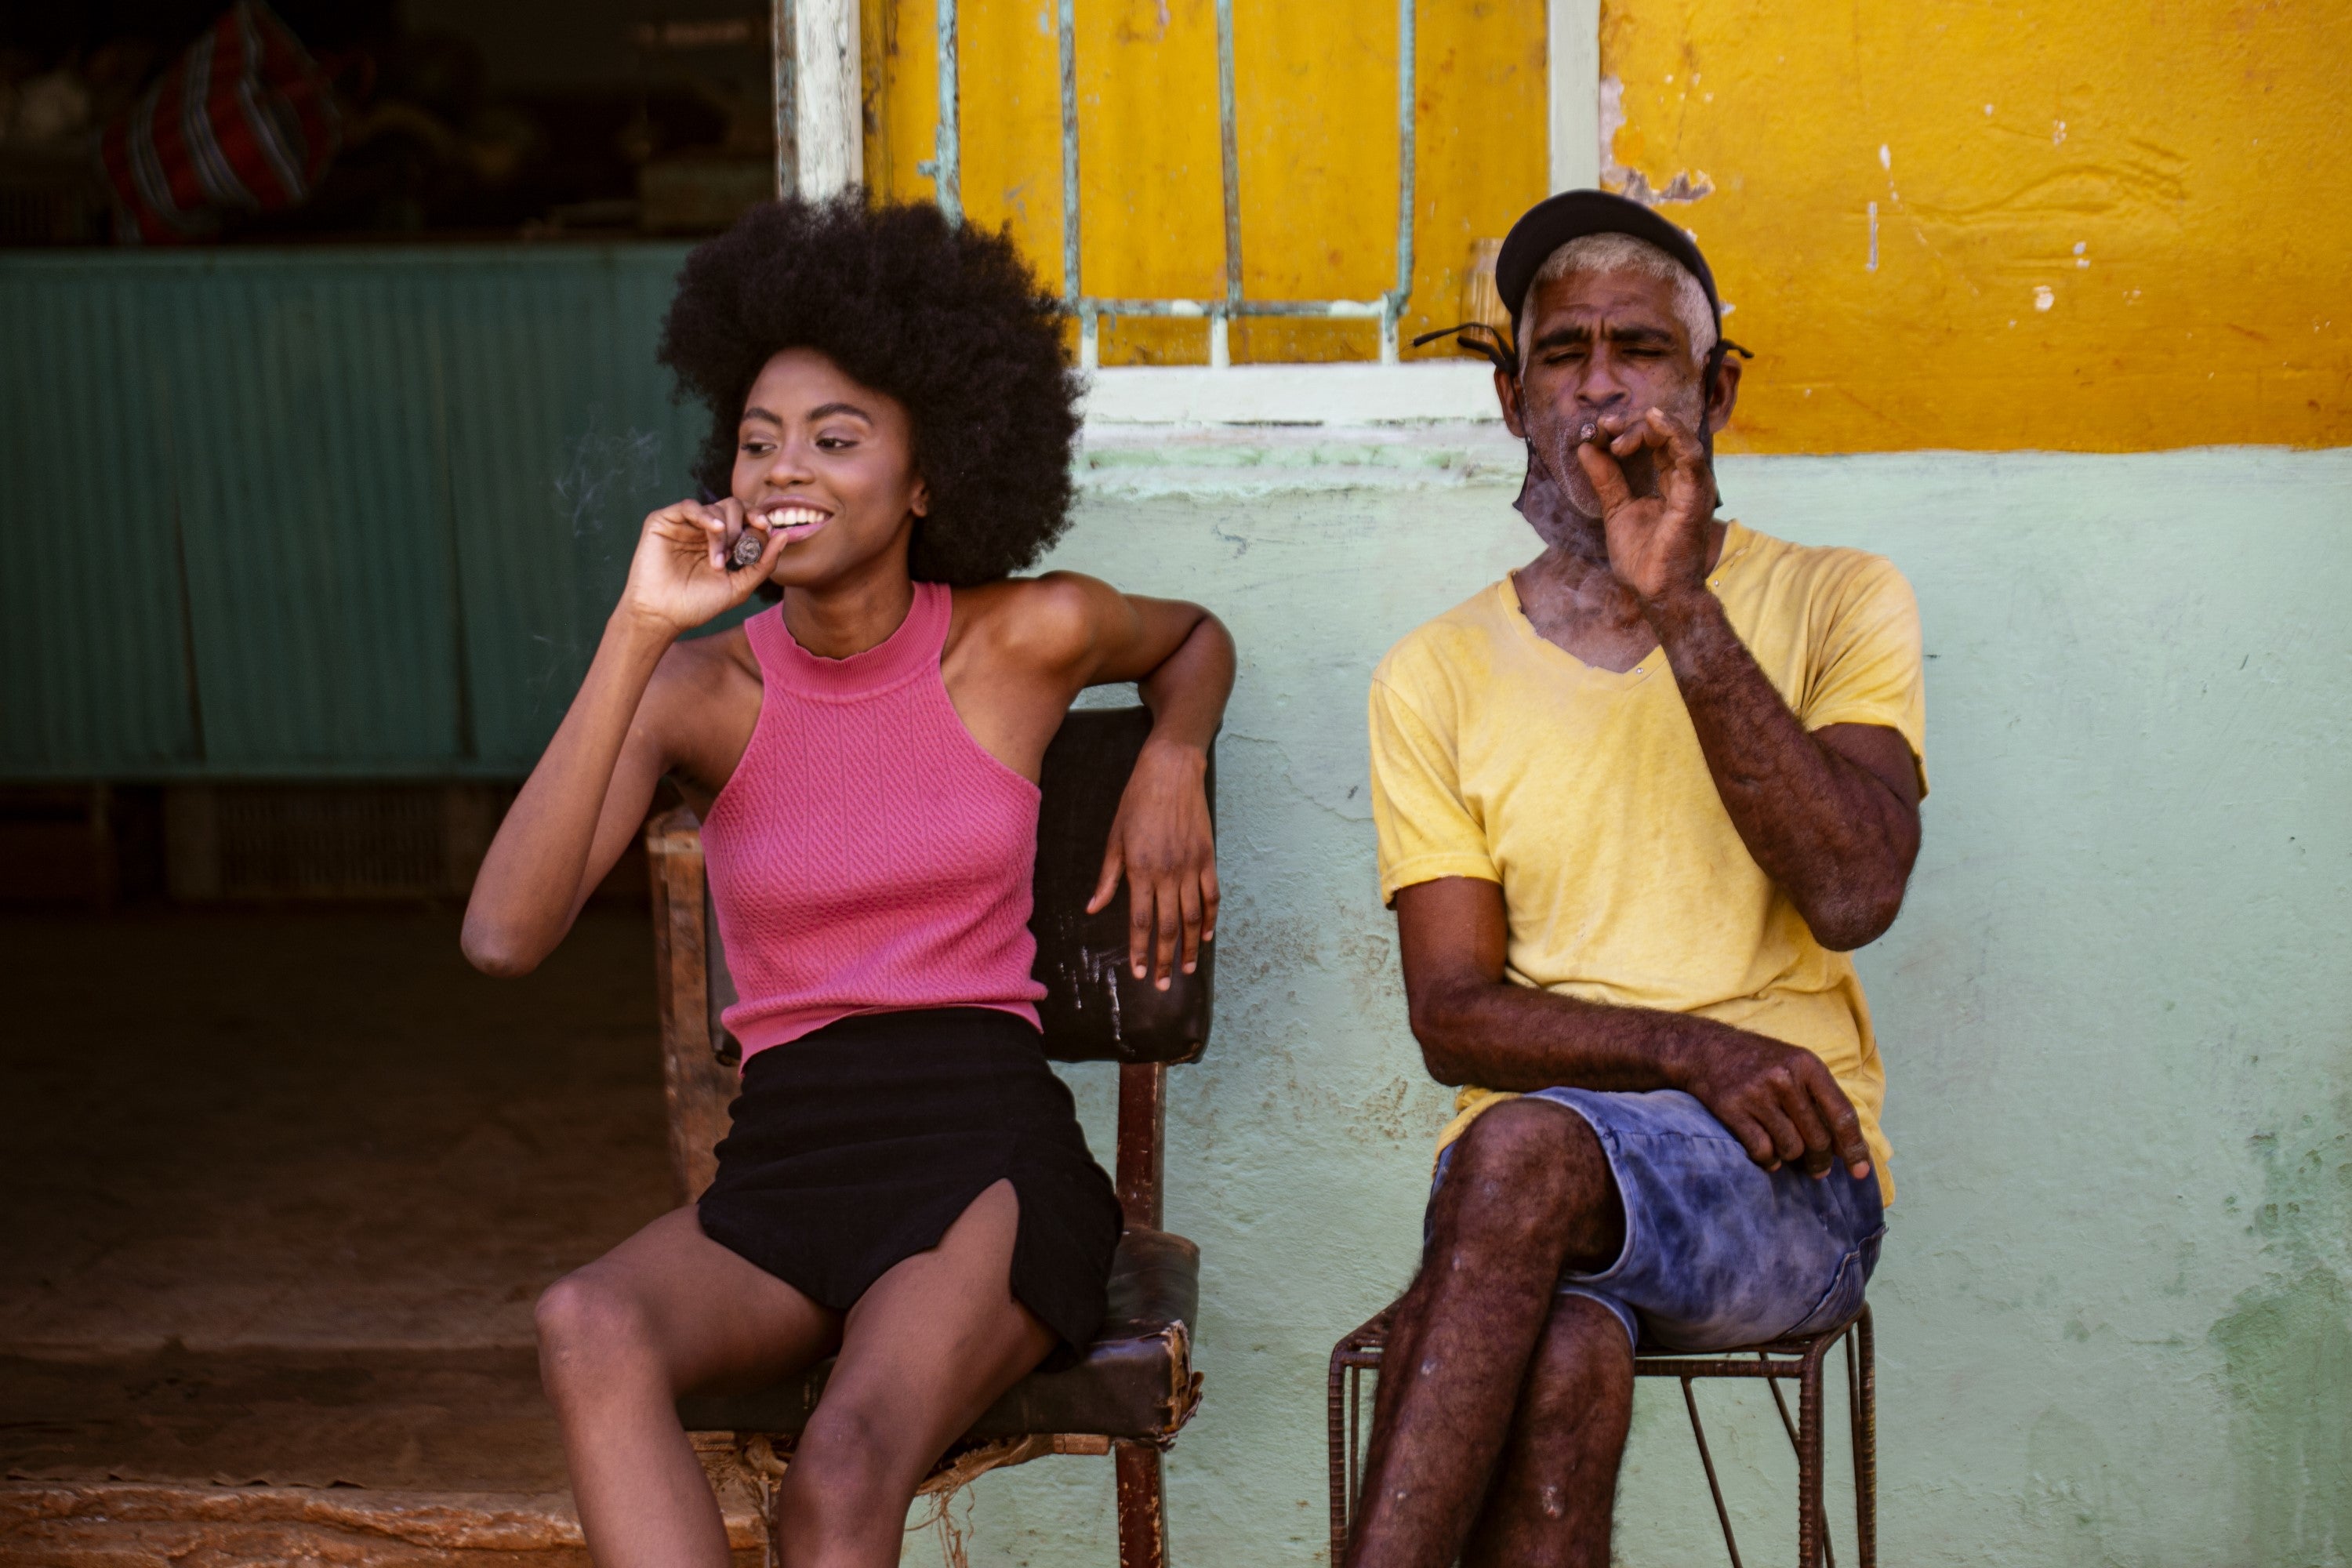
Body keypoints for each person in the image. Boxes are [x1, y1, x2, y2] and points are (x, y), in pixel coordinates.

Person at [461, 194, 1234, 1568]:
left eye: (835, 436)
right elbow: (504, 938)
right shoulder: (699, 688)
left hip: (982, 1154)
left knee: (843, 1467)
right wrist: (639, 631)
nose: (784, 469)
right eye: (758, 442)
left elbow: (1196, 641)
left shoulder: (1028, 637)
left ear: (928, 478)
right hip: (792, 1152)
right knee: (586, 1322)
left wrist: (1173, 754)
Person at [1352, 191, 1926, 1567]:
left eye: (1644, 350)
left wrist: (1680, 601)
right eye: (1563, 353)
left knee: (1521, 1150)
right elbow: (1453, 1016)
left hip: (1791, 1185)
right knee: (1552, 1353)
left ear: (1716, 391)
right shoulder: (1431, 673)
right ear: (1511, 397)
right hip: (1528, 1201)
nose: (1602, 385)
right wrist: (1690, 1054)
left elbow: (1855, 891)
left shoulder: (1842, 599)